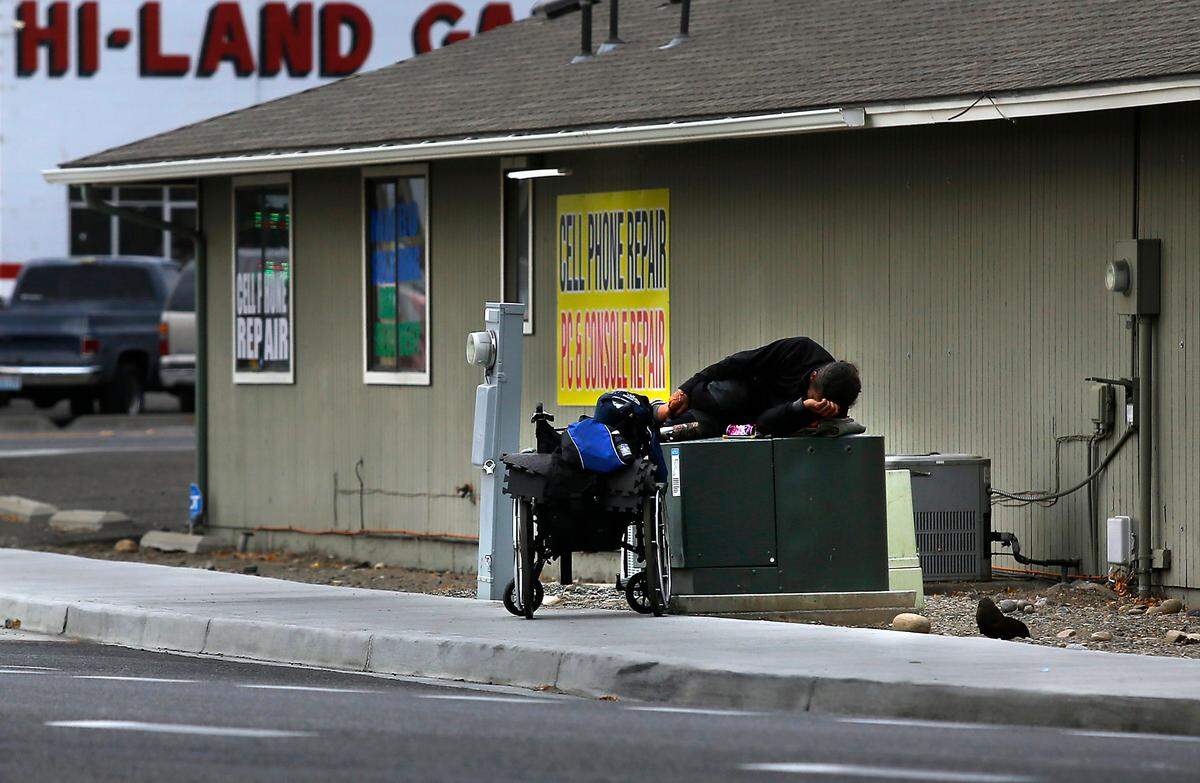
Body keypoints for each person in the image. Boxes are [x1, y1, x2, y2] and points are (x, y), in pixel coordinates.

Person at [658, 336, 861, 436]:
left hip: (746, 426)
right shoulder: (801, 351)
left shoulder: (829, 406)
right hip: (735, 394)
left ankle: (661, 419)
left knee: (679, 430)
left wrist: (802, 408)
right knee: (723, 395)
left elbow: (765, 423)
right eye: (812, 395)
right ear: (813, 376)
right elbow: (740, 362)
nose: (811, 398)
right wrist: (687, 386)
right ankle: (657, 411)